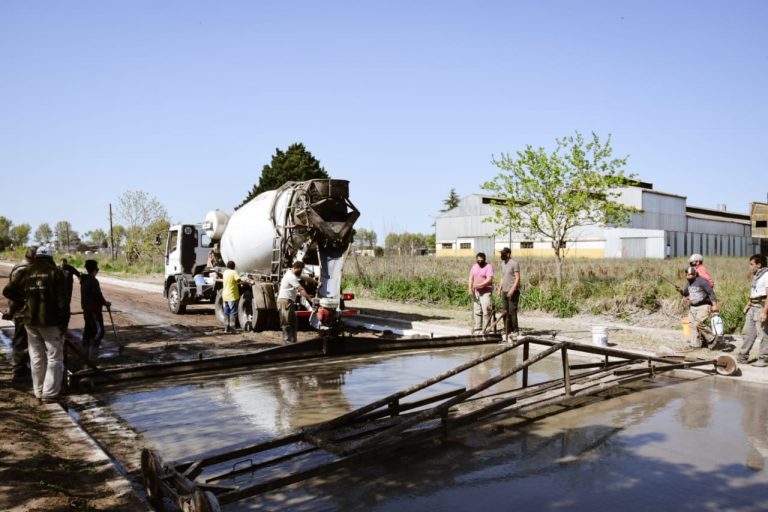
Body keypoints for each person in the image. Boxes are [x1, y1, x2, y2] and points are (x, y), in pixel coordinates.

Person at [2, 245, 69, 402]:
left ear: (36, 257)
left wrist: (23, 300)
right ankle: (50, 394)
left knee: (36, 356)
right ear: (50, 257)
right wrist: (64, 323)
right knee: (54, 356)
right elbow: (62, 303)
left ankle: (38, 391)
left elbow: (8, 291)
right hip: (50, 322)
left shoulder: (26, 271)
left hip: (30, 322)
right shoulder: (56, 273)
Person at [2, 246, 36, 383]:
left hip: (18, 310)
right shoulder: (23, 270)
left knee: (23, 341)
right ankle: (19, 372)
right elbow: (11, 292)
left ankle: (22, 369)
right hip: (22, 311)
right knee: (22, 342)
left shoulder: (18, 267)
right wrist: (23, 302)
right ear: (33, 258)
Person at [676, 266, 719, 349]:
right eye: (687, 275)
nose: (687, 276)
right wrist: (681, 291)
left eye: (690, 275)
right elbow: (685, 293)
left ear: (695, 274)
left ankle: (712, 338)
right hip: (693, 307)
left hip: (704, 306)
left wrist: (714, 305)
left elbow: (711, 293)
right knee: (692, 325)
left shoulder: (702, 282)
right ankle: (695, 344)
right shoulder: (688, 282)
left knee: (698, 324)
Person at [737, 254, 768, 366]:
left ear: (759, 265)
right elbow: (754, 294)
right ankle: (743, 356)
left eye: (751, 264)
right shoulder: (756, 276)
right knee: (748, 332)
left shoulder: (766, 275)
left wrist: (765, 312)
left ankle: (764, 358)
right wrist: (748, 305)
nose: (749, 266)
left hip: (762, 306)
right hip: (753, 306)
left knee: (763, 333)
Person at [80, 259, 111, 359]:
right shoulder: (93, 280)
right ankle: (93, 357)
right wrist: (105, 302)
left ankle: (85, 355)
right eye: (97, 269)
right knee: (99, 332)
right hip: (94, 310)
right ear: (94, 269)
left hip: (87, 310)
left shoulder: (84, 280)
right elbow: (97, 295)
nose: (97, 271)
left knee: (88, 331)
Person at [277, 261, 313, 343]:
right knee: (286, 322)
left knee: (293, 321)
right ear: (296, 268)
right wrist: (310, 299)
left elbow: (306, 278)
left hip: (289, 301)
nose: (301, 271)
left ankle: (293, 341)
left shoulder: (293, 273)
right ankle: (287, 341)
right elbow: (300, 289)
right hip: (285, 301)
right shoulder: (290, 277)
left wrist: (316, 282)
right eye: (301, 269)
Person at [497, 247, 521, 340]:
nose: (502, 255)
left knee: (512, 311)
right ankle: (507, 329)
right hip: (504, 290)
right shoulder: (502, 264)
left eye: (504, 253)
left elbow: (518, 278)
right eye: (501, 253)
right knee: (505, 311)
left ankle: (515, 330)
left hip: (513, 291)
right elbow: (502, 277)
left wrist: (512, 289)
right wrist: (500, 289)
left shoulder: (514, 263)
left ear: (508, 254)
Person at [468, 252, 494, 334]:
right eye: (478, 260)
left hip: (486, 292)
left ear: (485, 259)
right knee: (477, 310)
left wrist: (479, 285)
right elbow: (471, 278)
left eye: (481, 260)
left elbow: (489, 279)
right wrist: (469, 288)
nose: (479, 262)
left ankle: (487, 328)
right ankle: (478, 327)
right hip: (476, 292)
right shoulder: (474, 266)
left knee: (486, 310)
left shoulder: (488, 266)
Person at [221, 260, 240, 334]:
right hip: (232, 295)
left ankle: (226, 329)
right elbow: (238, 280)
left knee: (226, 312)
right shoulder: (234, 272)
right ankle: (232, 329)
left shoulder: (225, 272)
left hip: (225, 295)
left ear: (227, 266)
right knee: (233, 312)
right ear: (234, 266)